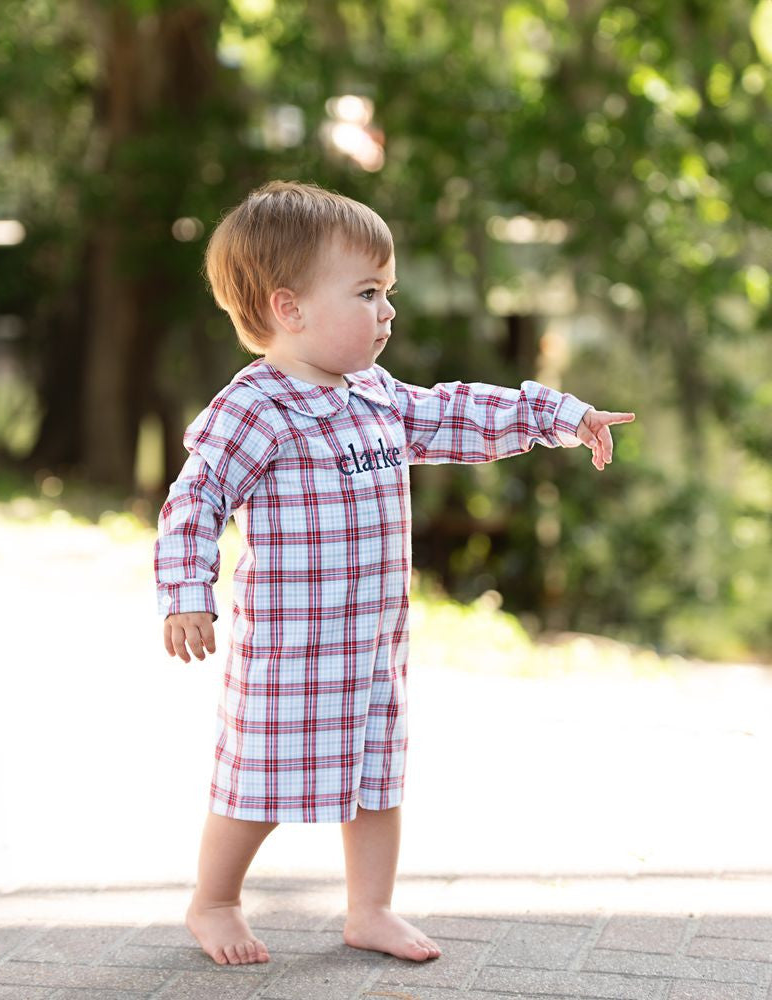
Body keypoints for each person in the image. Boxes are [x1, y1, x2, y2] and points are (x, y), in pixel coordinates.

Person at [154, 180, 635, 968]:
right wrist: (185, 596)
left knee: (378, 778)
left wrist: (557, 416)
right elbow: (194, 501)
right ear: (290, 308)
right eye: (369, 293)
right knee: (257, 782)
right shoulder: (255, 408)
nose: (389, 312)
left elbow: (455, 413)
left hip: (374, 645)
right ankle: (214, 900)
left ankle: (369, 909)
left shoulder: (377, 396)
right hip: (292, 649)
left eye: (390, 293)